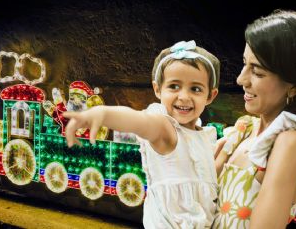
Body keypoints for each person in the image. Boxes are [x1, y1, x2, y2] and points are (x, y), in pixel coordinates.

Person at [64, 40, 220, 228]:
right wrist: (103, 114)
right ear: (157, 89)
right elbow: (139, 121)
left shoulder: (204, 135)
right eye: (174, 86)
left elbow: (205, 177)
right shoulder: (165, 128)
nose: (184, 96)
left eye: (195, 88)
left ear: (210, 96)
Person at [213, 10, 296, 229]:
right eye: (244, 64)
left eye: (257, 72)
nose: (241, 79)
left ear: (295, 85)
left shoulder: (291, 142)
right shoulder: (245, 128)